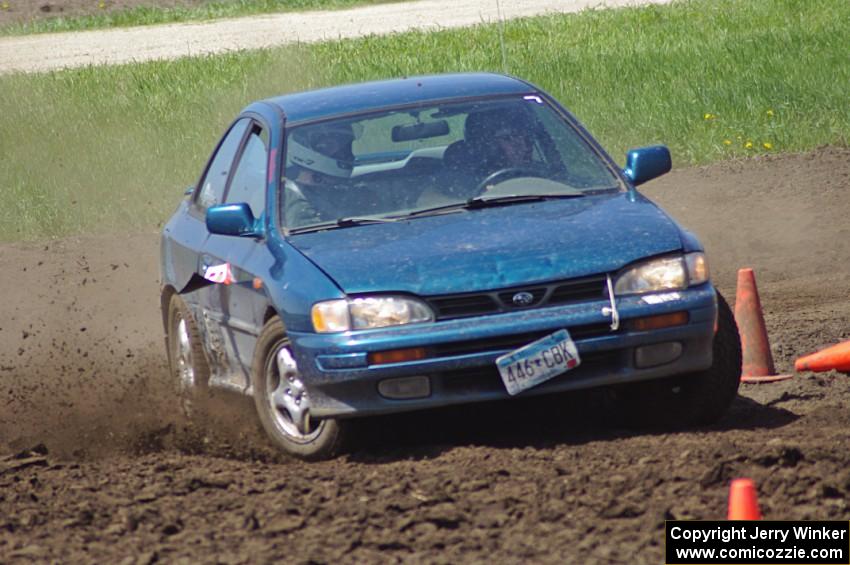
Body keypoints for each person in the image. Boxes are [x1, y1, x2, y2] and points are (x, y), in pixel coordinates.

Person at [283, 122, 356, 228]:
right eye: (331, 145)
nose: (345, 154)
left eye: (346, 147)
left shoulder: (337, 190)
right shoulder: (298, 206)